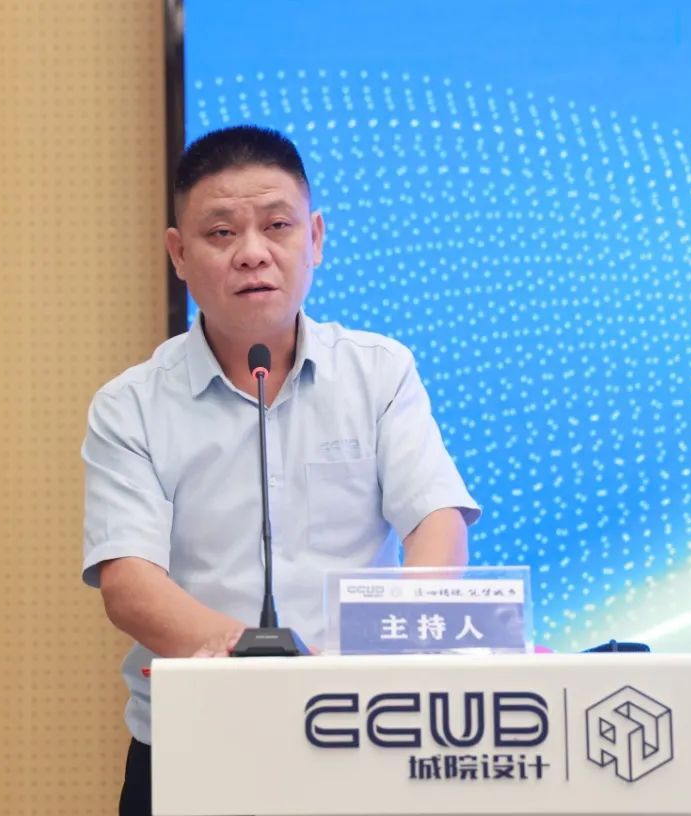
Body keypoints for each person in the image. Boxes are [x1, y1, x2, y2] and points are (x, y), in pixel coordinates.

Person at [81, 125, 481, 816]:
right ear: (179, 253)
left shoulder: (380, 372)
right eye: (221, 233)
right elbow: (130, 585)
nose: (252, 253)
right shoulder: (131, 405)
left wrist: (373, 647)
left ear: (315, 238)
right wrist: (265, 663)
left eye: (277, 226)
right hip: (195, 746)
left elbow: (436, 522)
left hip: (363, 732)